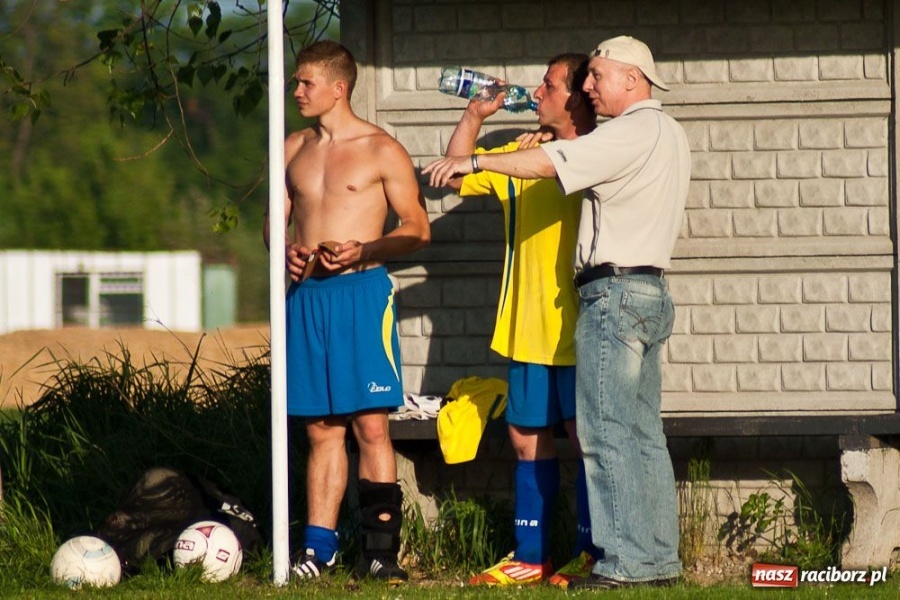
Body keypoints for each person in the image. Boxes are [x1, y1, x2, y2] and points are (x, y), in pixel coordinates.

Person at [423, 35, 690, 589]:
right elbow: (467, 177)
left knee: (607, 435)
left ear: (631, 79)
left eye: (595, 78)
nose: (590, 89)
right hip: (623, 297)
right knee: (636, 435)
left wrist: (483, 154)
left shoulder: (618, 136)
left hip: (609, 301)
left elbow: (551, 164)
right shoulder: (659, 131)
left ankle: (613, 561)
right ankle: (648, 560)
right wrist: (481, 129)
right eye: (585, 79)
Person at [264, 40, 430, 583]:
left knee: (371, 426)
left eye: (305, 82)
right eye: (295, 82)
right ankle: (319, 550)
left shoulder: (382, 149)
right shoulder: (290, 147)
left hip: (362, 295)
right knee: (319, 430)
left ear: (339, 87)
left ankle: (382, 553)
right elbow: (273, 225)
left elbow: (416, 229)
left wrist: (364, 250)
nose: (296, 91)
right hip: (306, 298)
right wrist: (283, 248)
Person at [440, 54, 602, 588]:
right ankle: (531, 556)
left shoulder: (597, 153)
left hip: (582, 328)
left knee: (587, 440)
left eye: (549, 85)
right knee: (526, 436)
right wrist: (475, 118)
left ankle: (592, 553)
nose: (536, 91)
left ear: (576, 97)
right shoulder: (517, 154)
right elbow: (455, 171)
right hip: (524, 327)